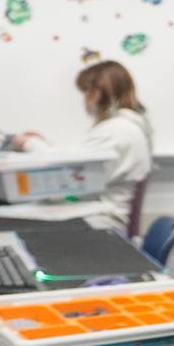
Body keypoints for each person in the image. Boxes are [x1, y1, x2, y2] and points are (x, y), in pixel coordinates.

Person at [15, 60, 152, 227]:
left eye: (86, 92)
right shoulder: (126, 126)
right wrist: (43, 145)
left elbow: (78, 177)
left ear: (98, 92)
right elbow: (83, 163)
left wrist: (31, 144)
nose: (85, 100)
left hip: (104, 220)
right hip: (104, 213)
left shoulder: (116, 130)